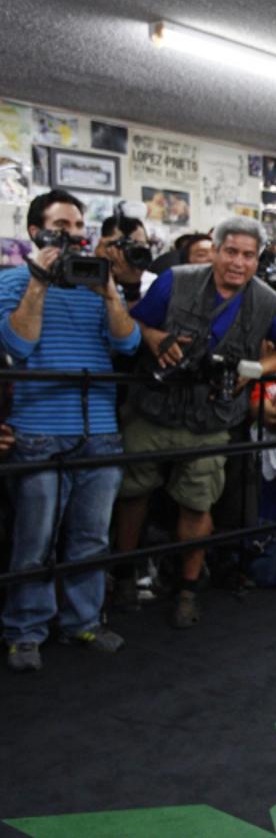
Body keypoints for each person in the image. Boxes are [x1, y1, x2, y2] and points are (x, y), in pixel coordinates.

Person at [114, 216, 276, 628]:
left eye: (248, 255)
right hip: (154, 406)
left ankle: (187, 587)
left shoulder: (270, 302)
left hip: (212, 416)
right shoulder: (175, 281)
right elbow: (136, 321)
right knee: (132, 492)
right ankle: (124, 575)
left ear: (258, 260)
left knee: (198, 502)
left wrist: (249, 370)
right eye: (230, 251)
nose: (238, 262)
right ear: (215, 250)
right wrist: (154, 340)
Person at [0, 190, 140, 672]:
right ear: (36, 232)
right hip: (38, 429)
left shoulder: (95, 284)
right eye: (62, 225)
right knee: (34, 539)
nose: (74, 234)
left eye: (79, 226)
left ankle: (82, 620)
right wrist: (38, 282)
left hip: (99, 429)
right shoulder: (13, 280)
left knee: (90, 537)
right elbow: (18, 343)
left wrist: (110, 292)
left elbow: (128, 344)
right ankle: (24, 631)